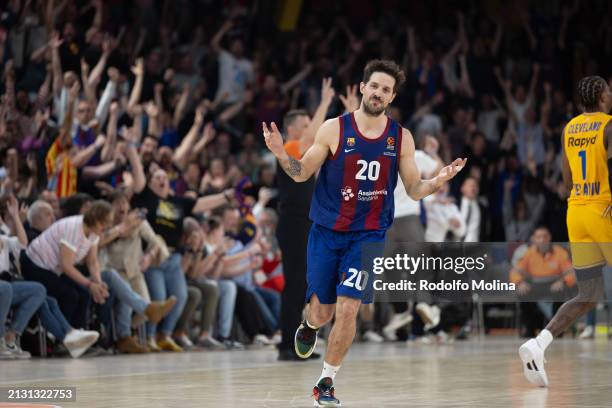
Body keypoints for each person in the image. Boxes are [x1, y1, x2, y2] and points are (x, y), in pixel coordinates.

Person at [263, 59, 466, 407]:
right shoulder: (333, 129)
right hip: (327, 232)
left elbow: (414, 190)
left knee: (348, 309)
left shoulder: (400, 137)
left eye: (386, 89)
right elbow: (301, 173)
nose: (379, 93)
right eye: (374, 86)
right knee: (323, 312)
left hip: (368, 235)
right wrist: (282, 153)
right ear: (362, 87)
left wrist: (439, 180)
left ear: (391, 96)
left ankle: (326, 382)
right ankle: (309, 325)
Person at [519, 75, 612, 387]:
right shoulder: (609, 125)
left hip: (576, 211)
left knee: (587, 294)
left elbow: (567, 181)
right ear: (601, 96)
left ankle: (540, 342)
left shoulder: (569, 129)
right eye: (609, 91)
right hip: (603, 209)